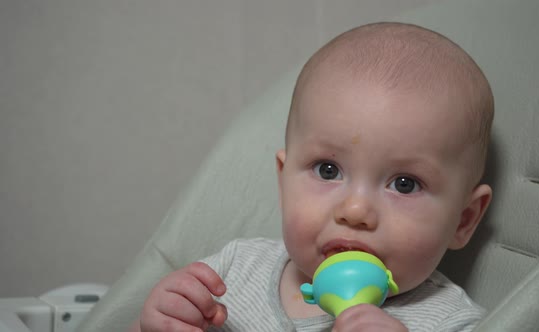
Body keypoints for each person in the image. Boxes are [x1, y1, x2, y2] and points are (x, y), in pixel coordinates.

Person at [134, 21, 494, 332]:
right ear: (283, 179)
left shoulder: (452, 322)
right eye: (328, 170)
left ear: (463, 220)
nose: (354, 211)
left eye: (405, 184)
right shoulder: (231, 272)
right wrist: (158, 321)